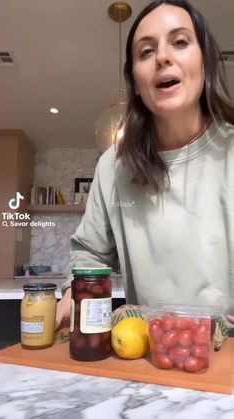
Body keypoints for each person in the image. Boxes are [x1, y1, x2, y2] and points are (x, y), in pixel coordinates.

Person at [56, 0, 234, 330]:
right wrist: (74, 291)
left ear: (206, 62)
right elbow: (90, 253)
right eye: (146, 51)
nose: (163, 57)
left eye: (180, 42)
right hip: (149, 356)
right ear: (135, 82)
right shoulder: (113, 166)